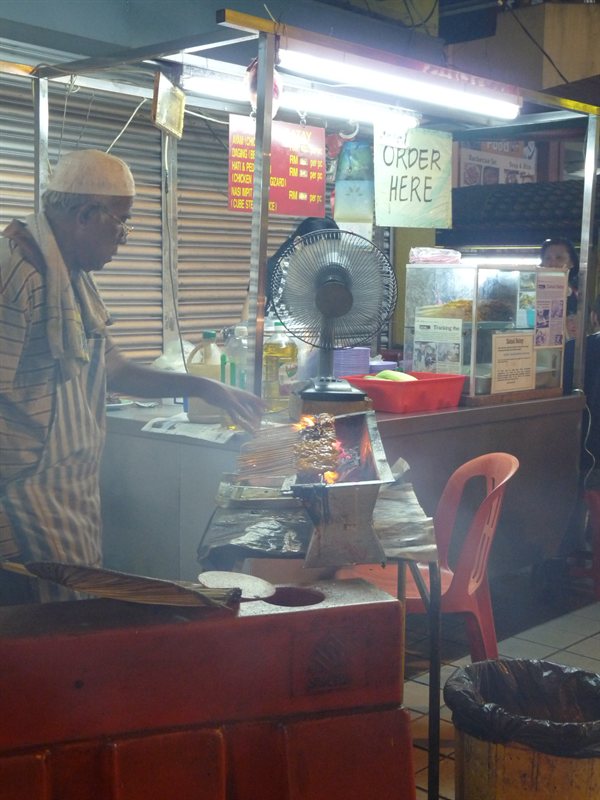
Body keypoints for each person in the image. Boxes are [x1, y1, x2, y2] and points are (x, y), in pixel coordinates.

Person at [0, 149, 263, 605]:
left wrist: (204, 385)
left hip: (64, 493)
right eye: (122, 222)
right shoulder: (20, 274)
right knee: (32, 637)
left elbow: (112, 368)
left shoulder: (70, 273)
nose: (124, 237)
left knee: (71, 625)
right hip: (19, 502)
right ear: (85, 214)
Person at [241, 216, 339, 321]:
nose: (324, 261)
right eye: (318, 254)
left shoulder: (328, 279)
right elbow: (247, 322)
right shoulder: (270, 271)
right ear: (298, 243)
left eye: (329, 255)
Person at [540, 237, 579, 338]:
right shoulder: (535, 290)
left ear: (572, 263)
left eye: (559, 258)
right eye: (547, 258)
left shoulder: (580, 291)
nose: (552, 264)